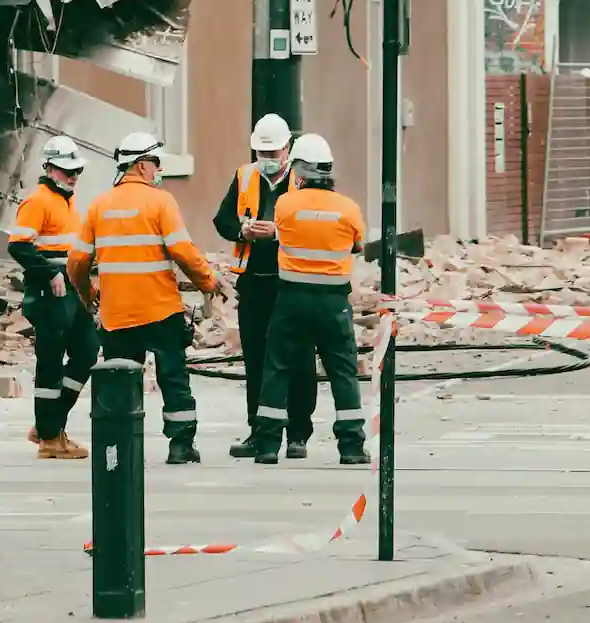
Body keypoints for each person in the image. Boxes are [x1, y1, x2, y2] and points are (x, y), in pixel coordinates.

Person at [68, 129, 220, 465]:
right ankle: (180, 446)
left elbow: (77, 260)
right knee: (174, 378)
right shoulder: (161, 202)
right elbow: (182, 249)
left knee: (121, 380)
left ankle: (121, 447)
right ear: (139, 165)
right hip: (160, 310)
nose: (157, 171)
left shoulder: (98, 205)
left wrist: (86, 292)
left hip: (116, 313)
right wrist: (208, 281)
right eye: (154, 164)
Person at [253, 132, 370, 466]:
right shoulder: (348, 208)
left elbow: (277, 234)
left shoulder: (285, 204)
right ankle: (350, 446)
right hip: (333, 302)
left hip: (291, 300)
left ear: (300, 171)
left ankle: (267, 445)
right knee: (343, 372)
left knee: (277, 369)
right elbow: (359, 245)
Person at [213, 112, 318, 460]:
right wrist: (242, 231)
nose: (268, 161)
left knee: (299, 358)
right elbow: (223, 219)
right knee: (257, 359)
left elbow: (314, 225)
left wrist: (279, 232)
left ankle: (298, 433)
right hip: (254, 284)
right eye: (262, 154)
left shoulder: (303, 179)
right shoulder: (244, 177)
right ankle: (260, 430)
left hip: (291, 282)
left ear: (288, 149)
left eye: (273, 154)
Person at [8, 134, 100, 459]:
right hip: (49, 295)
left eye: (76, 170)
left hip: (72, 293)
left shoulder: (68, 201)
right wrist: (49, 272)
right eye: (65, 170)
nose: (73, 175)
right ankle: (49, 437)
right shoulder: (38, 201)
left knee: (88, 351)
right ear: (49, 168)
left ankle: (49, 424)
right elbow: (18, 245)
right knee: (50, 363)